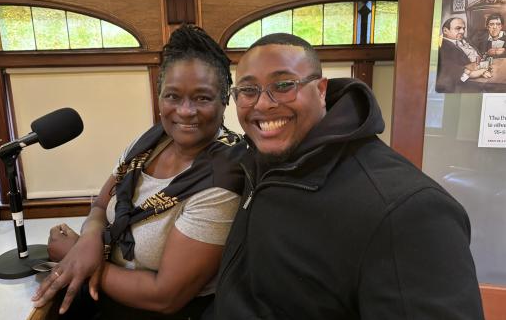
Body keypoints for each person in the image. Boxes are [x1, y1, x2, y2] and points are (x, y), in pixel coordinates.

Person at [207, 33, 484, 319]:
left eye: (284, 85)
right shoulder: (258, 162)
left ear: (321, 89)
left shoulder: (405, 210)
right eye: (248, 90)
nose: (263, 104)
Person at [31, 24, 244, 319]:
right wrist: (89, 238)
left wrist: (76, 254)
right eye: (172, 96)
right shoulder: (152, 140)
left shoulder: (224, 178)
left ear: (225, 100)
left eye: (202, 98)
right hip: (103, 301)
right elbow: (101, 205)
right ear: (159, 98)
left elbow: (164, 297)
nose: (184, 111)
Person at [436, 17, 491, 93]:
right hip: (464, 85)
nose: (462, 31)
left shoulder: (464, 39)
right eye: (458, 28)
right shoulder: (441, 47)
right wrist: (471, 73)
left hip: (482, 70)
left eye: (463, 28)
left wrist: (482, 69)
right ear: (445, 30)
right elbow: (448, 71)